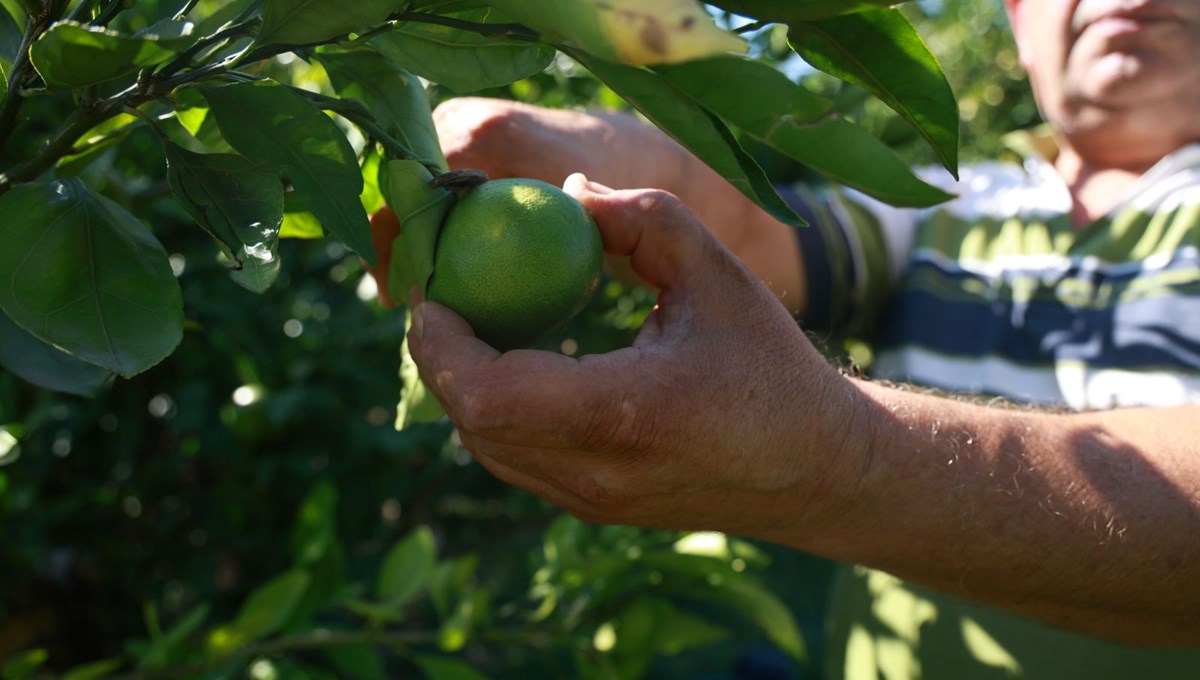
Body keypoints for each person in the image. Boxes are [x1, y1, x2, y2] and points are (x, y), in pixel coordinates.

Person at [371, 0, 1200, 676]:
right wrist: (565, 146)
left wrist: (841, 458)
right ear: (1022, 24)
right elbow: (740, 227)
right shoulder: (954, 211)